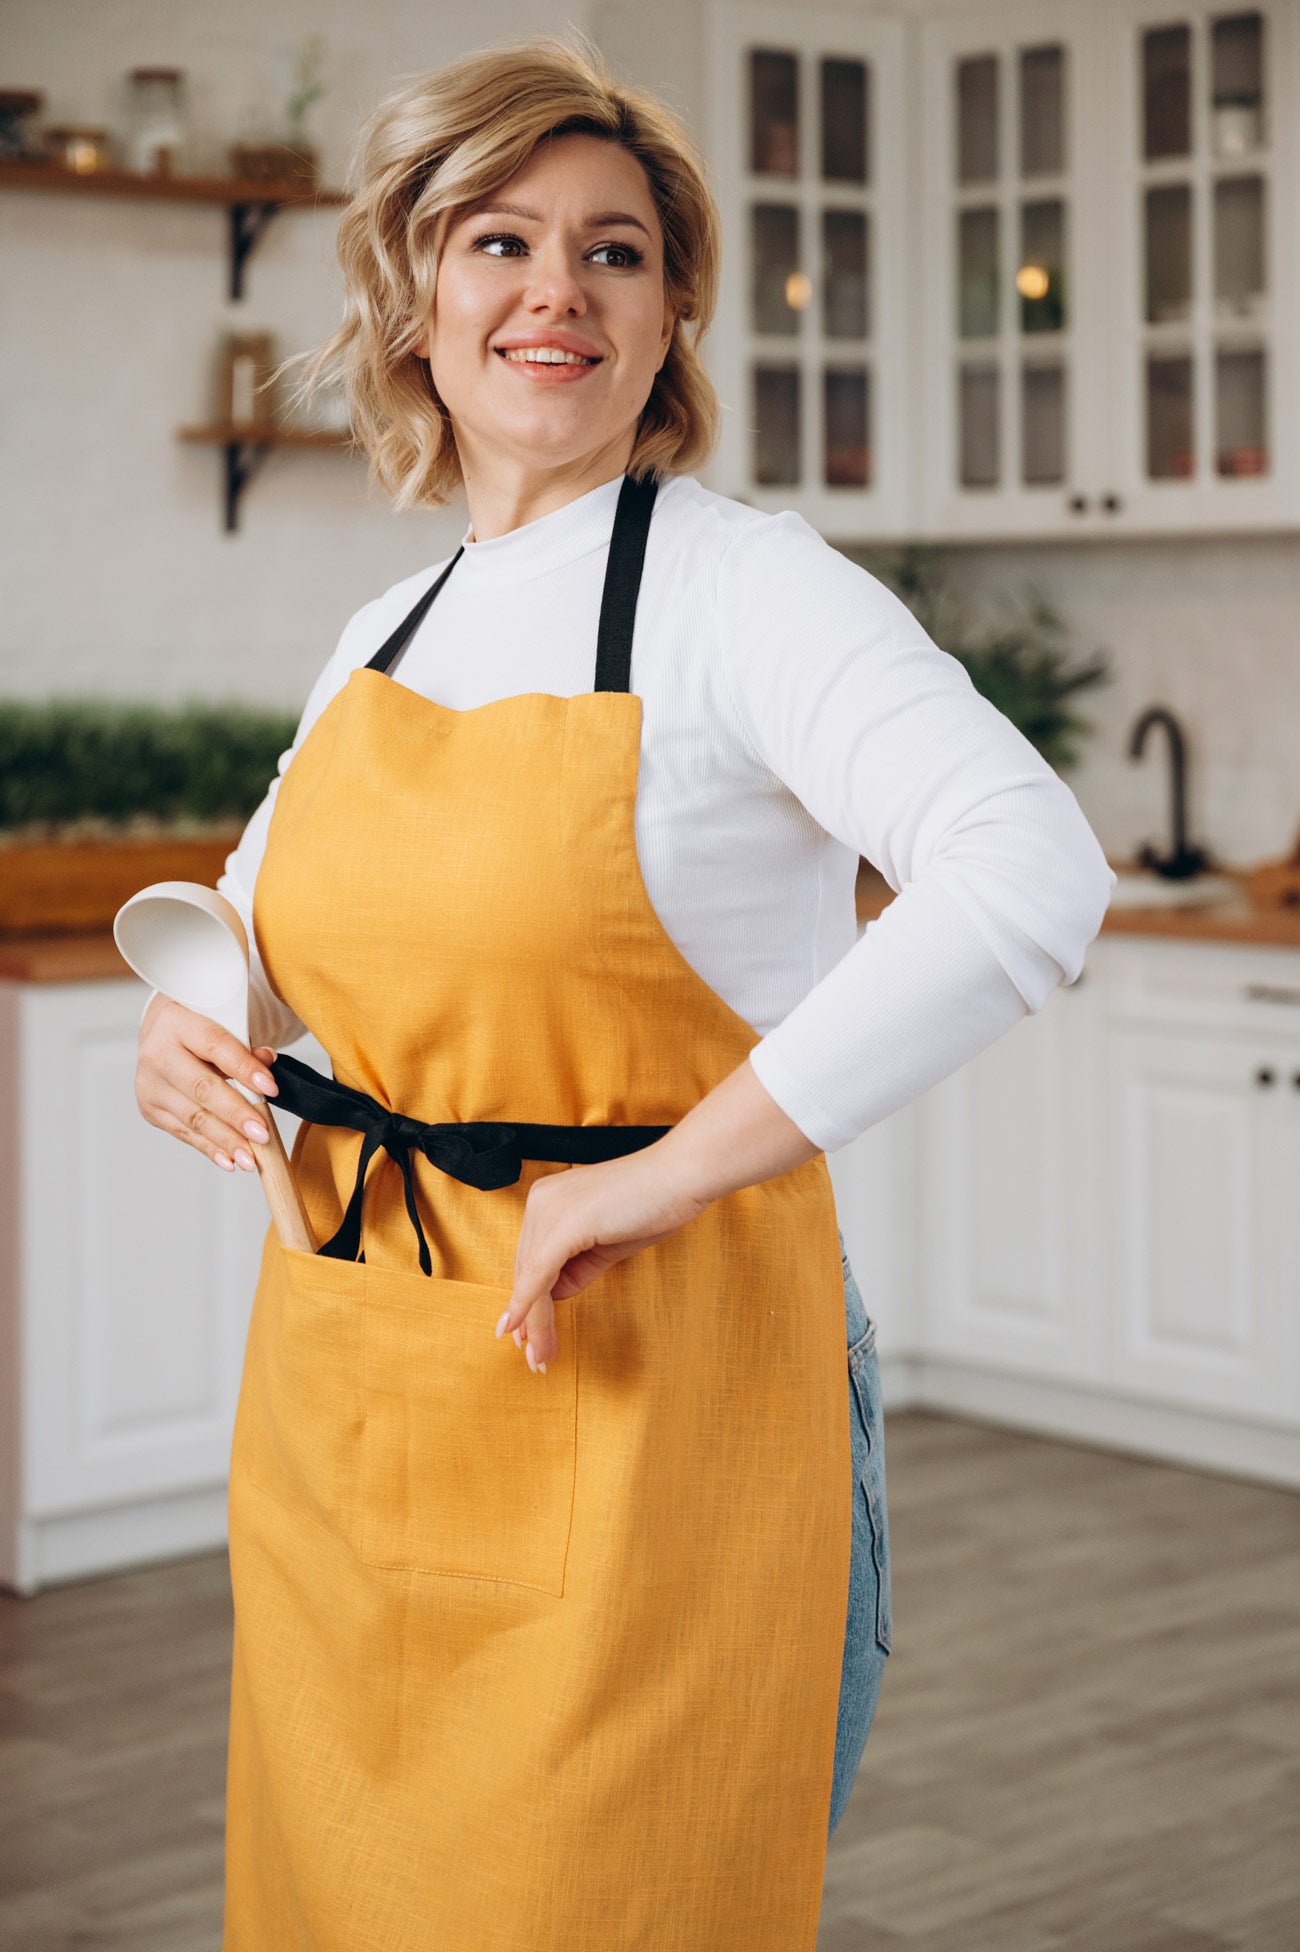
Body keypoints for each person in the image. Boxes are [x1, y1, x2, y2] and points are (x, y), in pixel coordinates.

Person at [133, 37, 1113, 1952]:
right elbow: (257, 927)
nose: (556, 292)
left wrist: (654, 1179)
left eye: (615, 251)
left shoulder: (753, 592)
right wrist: (199, 1021)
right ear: (416, 296)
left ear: (673, 314)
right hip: (361, 1400)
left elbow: (1030, 870)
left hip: (653, 1403)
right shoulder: (387, 629)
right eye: (499, 240)